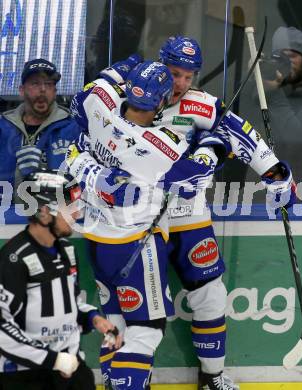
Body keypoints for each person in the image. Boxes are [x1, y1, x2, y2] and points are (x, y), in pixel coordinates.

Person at [97, 36, 296, 390]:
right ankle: (126, 381)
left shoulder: (202, 105)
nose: (182, 84)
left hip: (187, 215)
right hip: (137, 221)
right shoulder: (130, 95)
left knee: (210, 295)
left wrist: (276, 175)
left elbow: (241, 135)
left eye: (189, 76)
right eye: (175, 73)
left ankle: (212, 375)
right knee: (133, 310)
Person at [66, 60, 227, 390]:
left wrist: (114, 70)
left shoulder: (99, 108)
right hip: (134, 243)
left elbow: (79, 109)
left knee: (115, 323)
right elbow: (193, 179)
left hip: (97, 239)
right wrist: (211, 148)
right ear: (161, 100)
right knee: (147, 329)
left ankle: (114, 383)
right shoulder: (158, 146)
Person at [0, 169, 122, 390]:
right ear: (44, 212)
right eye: (71, 207)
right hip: (25, 376)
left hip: (71, 369)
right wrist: (53, 360)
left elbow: (69, 302)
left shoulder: (66, 250)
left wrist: (94, 318)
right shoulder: (13, 259)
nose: (76, 214)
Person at [0, 58, 81, 203]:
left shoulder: (74, 128)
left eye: (49, 84)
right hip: (6, 219)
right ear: (22, 90)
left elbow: (82, 185)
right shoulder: (2, 127)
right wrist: (17, 174)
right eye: (35, 83)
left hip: (54, 219)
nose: (43, 89)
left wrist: (44, 176)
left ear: (55, 91)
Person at [259, 26, 302, 182]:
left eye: (292, 56)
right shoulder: (260, 87)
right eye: (280, 57)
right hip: (258, 192)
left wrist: (274, 92)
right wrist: (253, 78)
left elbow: (296, 139)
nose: (286, 62)